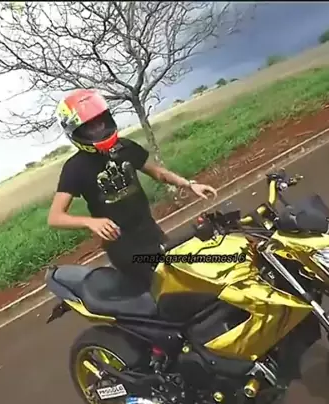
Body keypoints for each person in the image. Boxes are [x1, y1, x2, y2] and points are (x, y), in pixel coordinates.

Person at [48, 89, 217, 287]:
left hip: (151, 232)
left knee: (182, 280)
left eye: (100, 122)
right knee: (159, 290)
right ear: (76, 132)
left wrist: (189, 184)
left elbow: (158, 173)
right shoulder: (75, 167)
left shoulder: (125, 147)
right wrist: (90, 222)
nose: (98, 129)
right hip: (123, 247)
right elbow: (55, 217)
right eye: (90, 126)